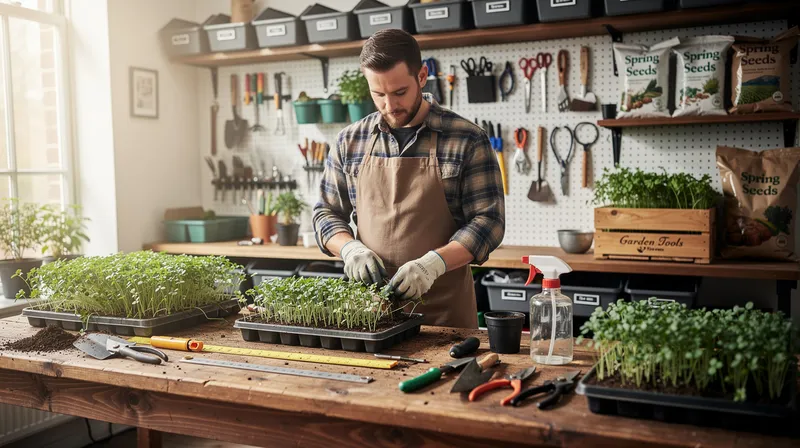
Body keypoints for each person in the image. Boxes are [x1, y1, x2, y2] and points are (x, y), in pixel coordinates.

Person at [312, 29, 505, 328]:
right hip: (369, 314)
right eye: (378, 94)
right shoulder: (350, 141)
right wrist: (350, 249)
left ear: (422, 76)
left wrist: (433, 265)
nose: (390, 106)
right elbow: (326, 213)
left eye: (400, 92)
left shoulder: (467, 139)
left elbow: (489, 222)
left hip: (444, 318)